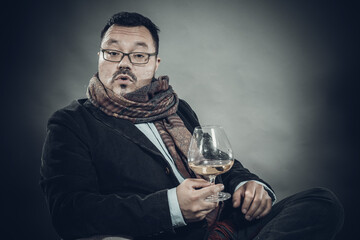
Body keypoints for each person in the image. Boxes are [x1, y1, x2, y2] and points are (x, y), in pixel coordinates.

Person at [40, 12, 344, 240]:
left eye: (139, 55)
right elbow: (70, 212)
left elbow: (217, 164)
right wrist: (172, 206)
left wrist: (248, 185)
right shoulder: (72, 123)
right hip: (168, 233)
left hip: (226, 226)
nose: (124, 63)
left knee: (320, 202)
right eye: (113, 52)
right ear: (100, 57)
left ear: (155, 63)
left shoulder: (175, 107)